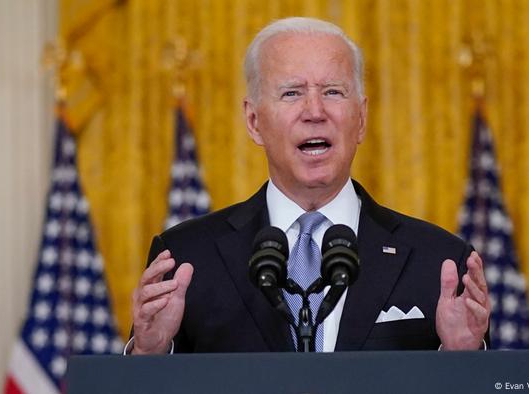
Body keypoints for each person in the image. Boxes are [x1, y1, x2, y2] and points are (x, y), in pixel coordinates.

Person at [127, 17, 490, 354]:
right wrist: (151, 352)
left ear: (360, 118)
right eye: (291, 93)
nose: (315, 111)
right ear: (254, 121)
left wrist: (463, 359)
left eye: (333, 91)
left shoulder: (440, 262)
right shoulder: (186, 258)